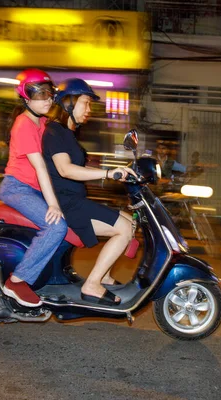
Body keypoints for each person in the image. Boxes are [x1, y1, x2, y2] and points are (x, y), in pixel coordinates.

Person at [42, 78, 136, 306]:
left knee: (129, 220)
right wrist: (106, 173)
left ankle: (103, 275)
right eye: (86, 103)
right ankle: (92, 283)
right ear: (68, 104)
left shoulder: (68, 134)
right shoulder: (54, 132)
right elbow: (66, 170)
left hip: (75, 200)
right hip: (67, 205)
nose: (89, 110)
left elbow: (79, 169)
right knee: (123, 229)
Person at [0, 68, 67, 308]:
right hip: (18, 188)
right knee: (56, 226)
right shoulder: (24, 124)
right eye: (41, 94)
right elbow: (39, 168)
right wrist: (54, 204)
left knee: (72, 228)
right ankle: (17, 281)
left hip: (33, 188)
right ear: (26, 97)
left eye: (50, 94)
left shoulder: (43, 122)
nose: (47, 99)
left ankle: (54, 276)